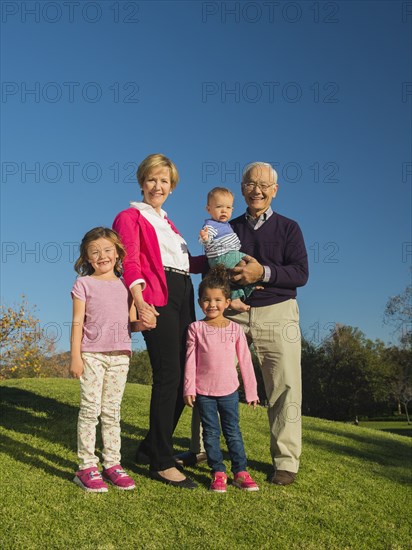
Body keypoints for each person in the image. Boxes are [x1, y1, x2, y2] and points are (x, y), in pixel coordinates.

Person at [186, 162, 309, 486]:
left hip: (277, 311)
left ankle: (285, 461)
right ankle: (200, 449)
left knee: (284, 386)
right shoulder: (226, 225)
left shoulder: (289, 228)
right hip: (230, 314)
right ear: (242, 189)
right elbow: (211, 264)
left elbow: (300, 273)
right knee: (205, 375)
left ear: (275, 190)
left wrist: (262, 273)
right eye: (251, 184)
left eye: (264, 185)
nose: (258, 189)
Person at [112, 153, 206, 489]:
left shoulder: (168, 222)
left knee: (186, 379)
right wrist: (140, 300)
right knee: (169, 375)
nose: (158, 186)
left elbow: (184, 264)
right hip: (157, 297)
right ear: (142, 181)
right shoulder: (130, 217)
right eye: (152, 179)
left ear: (171, 187)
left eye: (164, 181)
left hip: (183, 295)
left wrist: (214, 259)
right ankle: (161, 462)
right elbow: (131, 261)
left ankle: (151, 446)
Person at [70, 227, 153, 493]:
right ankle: (86, 467)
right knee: (90, 410)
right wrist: (75, 357)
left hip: (120, 356)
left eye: (107, 250)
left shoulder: (125, 287)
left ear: (117, 253)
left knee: (111, 412)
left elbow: (131, 323)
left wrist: (145, 322)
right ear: (86, 257)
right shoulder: (83, 284)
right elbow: (77, 322)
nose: (102, 255)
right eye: (94, 252)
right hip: (92, 355)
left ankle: (113, 465)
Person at [184, 266, 259, 493]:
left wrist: (252, 392)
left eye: (218, 299)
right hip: (204, 392)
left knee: (233, 431)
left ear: (227, 302)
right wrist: (189, 388)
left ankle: (240, 472)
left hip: (229, 392)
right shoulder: (195, 328)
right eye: (206, 300)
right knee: (211, 433)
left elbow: (245, 361)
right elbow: (190, 361)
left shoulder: (236, 330)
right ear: (200, 303)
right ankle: (218, 472)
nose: (212, 304)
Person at [199, 187, 258, 312]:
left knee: (239, 271)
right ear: (208, 209)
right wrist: (205, 237)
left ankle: (241, 294)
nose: (224, 211)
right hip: (222, 256)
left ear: (232, 209)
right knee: (245, 263)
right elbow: (207, 237)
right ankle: (245, 290)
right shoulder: (211, 224)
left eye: (228, 207)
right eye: (219, 207)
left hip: (226, 255)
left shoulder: (226, 225)